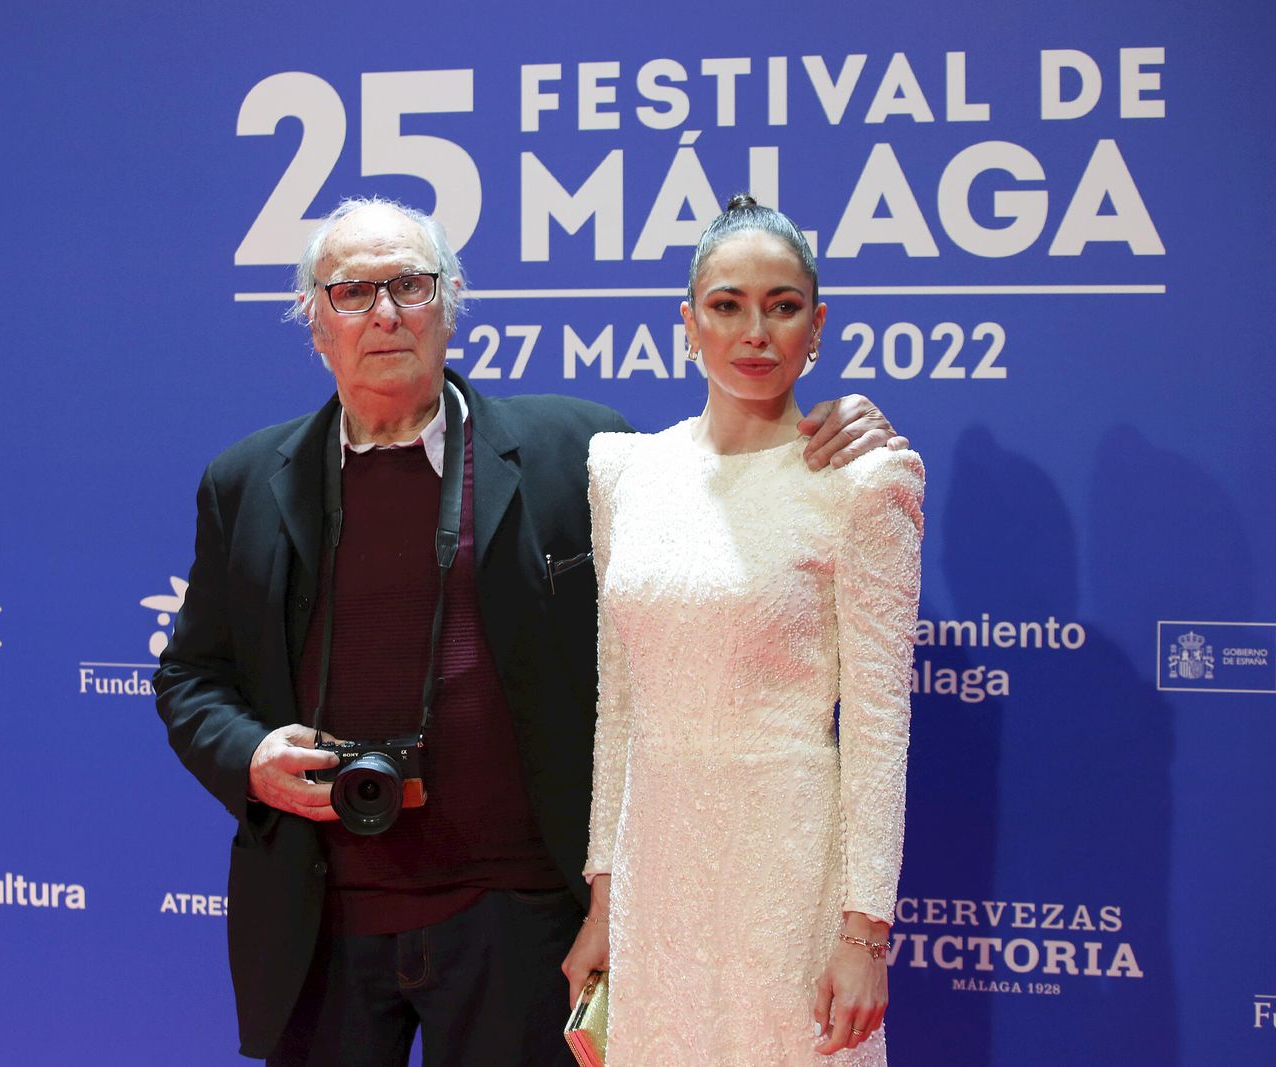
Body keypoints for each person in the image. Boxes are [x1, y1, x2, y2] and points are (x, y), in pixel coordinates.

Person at [153, 195, 908, 1066]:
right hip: (319, 920)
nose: (386, 313)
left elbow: (724, 486)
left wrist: (849, 427)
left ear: (452, 303)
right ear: (314, 321)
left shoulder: (578, 450)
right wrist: (250, 755)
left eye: (410, 284)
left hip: (516, 922)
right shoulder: (244, 482)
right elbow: (190, 676)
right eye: (353, 292)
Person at [566, 195, 924, 1065]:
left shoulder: (863, 480)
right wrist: (604, 898)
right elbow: (621, 705)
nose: (755, 332)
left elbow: (878, 723)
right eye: (727, 305)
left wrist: (865, 933)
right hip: (656, 879)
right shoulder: (625, 473)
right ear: (688, 323)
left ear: (818, 324)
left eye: (783, 305)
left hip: (789, 873)